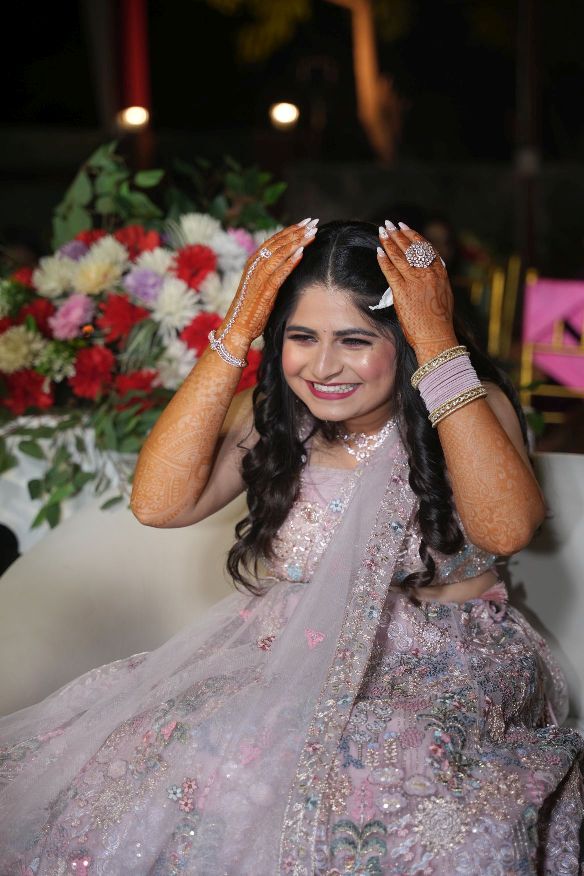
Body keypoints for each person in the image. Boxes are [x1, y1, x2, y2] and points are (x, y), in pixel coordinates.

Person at [0, 219, 582, 874]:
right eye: (302, 337)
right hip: (288, 650)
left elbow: (505, 530)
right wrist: (237, 328)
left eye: (355, 340)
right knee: (190, 742)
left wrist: (437, 340)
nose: (323, 366)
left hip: (449, 661)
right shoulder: (275, 414)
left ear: (405, 337)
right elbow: (159, 504)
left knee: (377, 757)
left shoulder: (467, 403)